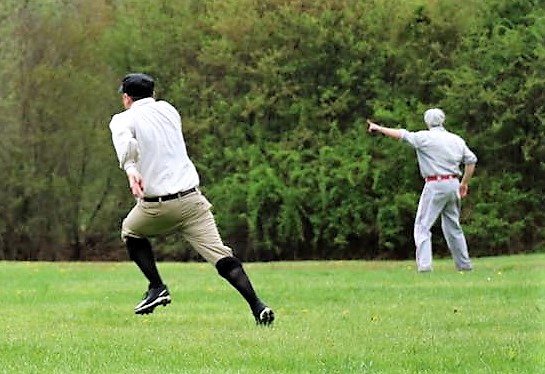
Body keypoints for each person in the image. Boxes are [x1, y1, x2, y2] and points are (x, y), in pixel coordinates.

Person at [109, 73, 274, 325]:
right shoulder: (169, 111)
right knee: (221, 256)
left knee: (130, 231)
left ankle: (156, 287)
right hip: (193, 202)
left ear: (126, 97)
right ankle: (258, 306)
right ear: (153, 94)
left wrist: (131, 169)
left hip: (159, 206)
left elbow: (126, 143)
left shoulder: (123, 119)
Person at [367, 108, 477, 272]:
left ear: (427, 122)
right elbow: (471, 160)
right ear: (443, 120)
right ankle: (464, 265)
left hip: (435, 184)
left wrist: (379, 128)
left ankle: (425, 266)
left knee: (422, 226)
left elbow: (401, 134)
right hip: (453, 183)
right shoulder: (456, 140)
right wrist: (464, 183)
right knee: (453, 227)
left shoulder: (424, 138)